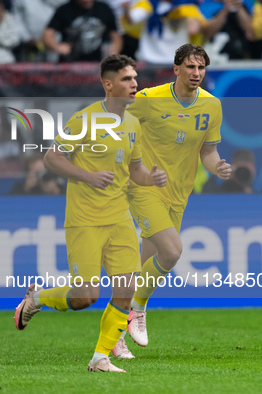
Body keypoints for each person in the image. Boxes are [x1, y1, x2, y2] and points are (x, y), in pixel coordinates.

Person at [14, 54, 167, 373]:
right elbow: (52, 159)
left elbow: (135, 170)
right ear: (108, 84)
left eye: (135, 78)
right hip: (85, 219)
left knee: (126, 290)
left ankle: (100, 357)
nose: (135, 84)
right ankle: (37, 299)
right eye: (127, 79)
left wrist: (150, 178)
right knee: (85, 296)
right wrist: (87, 176)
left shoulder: (133, 124)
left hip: (121, 219)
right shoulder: (84, 120)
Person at [123, 44, 232, 356]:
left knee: (144, 267)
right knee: (172, 252)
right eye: (190, 67)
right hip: (144, 187)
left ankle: (116, 328)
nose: (196, 73)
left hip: (179, 193)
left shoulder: (212, 106)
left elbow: (208, 153)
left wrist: (219, 167)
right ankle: (138, 310)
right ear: (176, 69)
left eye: (201, 68)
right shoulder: (147, 99)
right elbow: (115, 124)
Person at [42, 0, 122, 62]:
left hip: (99, 64)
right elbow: (47, 35)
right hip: (70, 65)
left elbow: (116, 36)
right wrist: (58, 47)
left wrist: (114, 51)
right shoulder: (64, 10)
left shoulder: (104, 9)